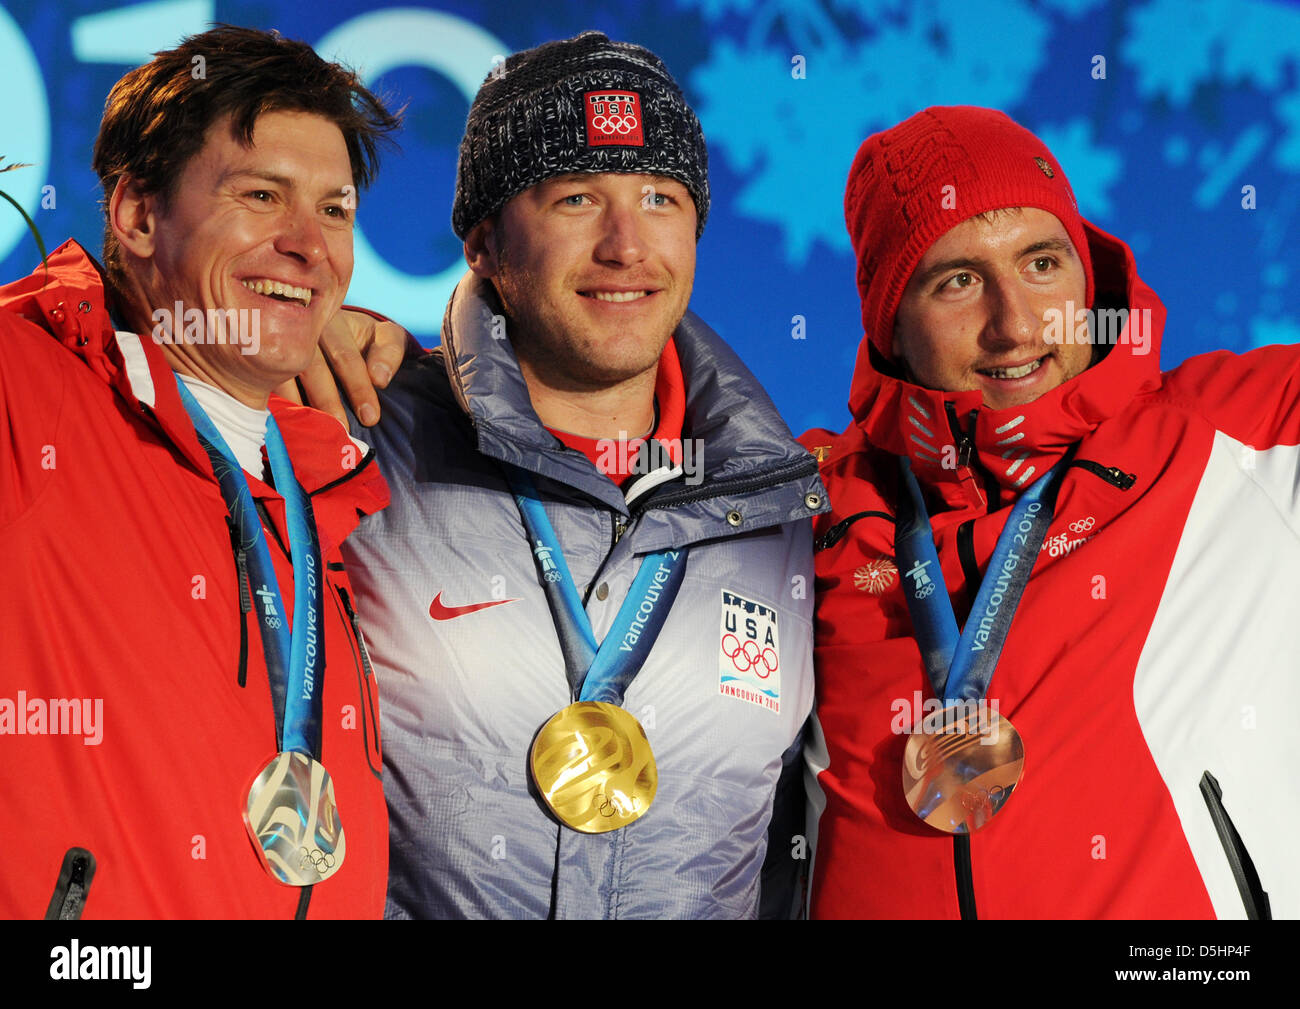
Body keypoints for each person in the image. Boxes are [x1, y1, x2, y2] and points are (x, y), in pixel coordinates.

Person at [336, 31, 827, 919]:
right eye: (575, 198)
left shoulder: (784, 509)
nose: (625, 244)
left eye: (658, 197)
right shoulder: (360, 439)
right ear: (484, 242)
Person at [802, 105, 1296, 919]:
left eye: (1041, 262)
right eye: (957, 280)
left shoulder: (1246, 428)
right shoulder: (814, 509)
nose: (1017, 323)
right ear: (890, 323)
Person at [0, 26, 401, 918]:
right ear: (138, 216)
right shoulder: (29, 398)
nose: (309, 244)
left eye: (334, 210)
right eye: (262, 195)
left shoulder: (328, 489)